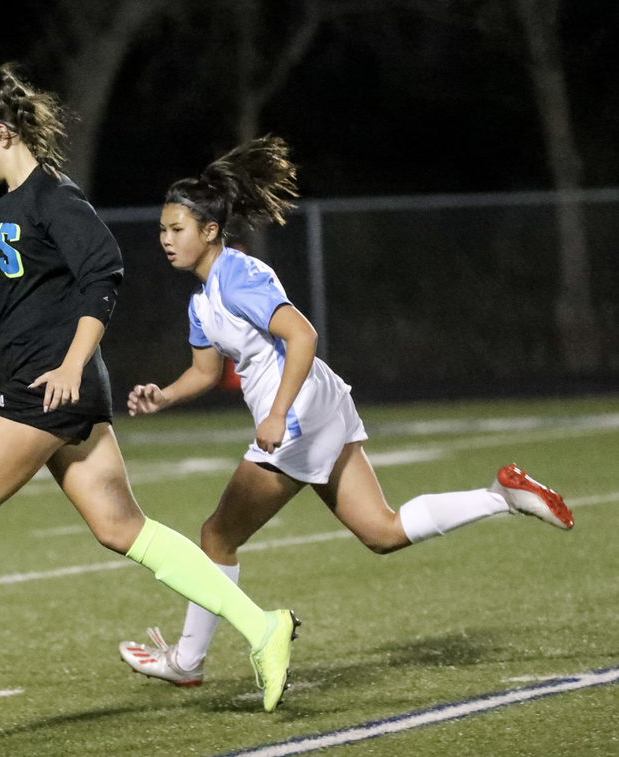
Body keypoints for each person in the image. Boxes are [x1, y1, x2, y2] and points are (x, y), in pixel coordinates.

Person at [0, 64, 300, 727]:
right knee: (122, 528)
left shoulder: (57, 199)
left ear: (3, 132)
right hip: (54, 384)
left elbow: (104, 276)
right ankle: (262, 628)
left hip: (48, 386)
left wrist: (72, 362)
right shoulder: (4, 209)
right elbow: (14, 296)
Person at [116, 135, 575, 688]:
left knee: (216, 537)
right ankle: (503, 495)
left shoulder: (235, 277)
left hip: (300, 413)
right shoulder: (202, 299)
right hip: (320, 406)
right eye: (163, 229)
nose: (165, 240)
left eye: (176, 230)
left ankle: (186, 663)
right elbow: (205, 373)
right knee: (380, 531)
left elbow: (302, 334)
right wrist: (164, 395)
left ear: (210, 231)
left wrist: (277, 414)